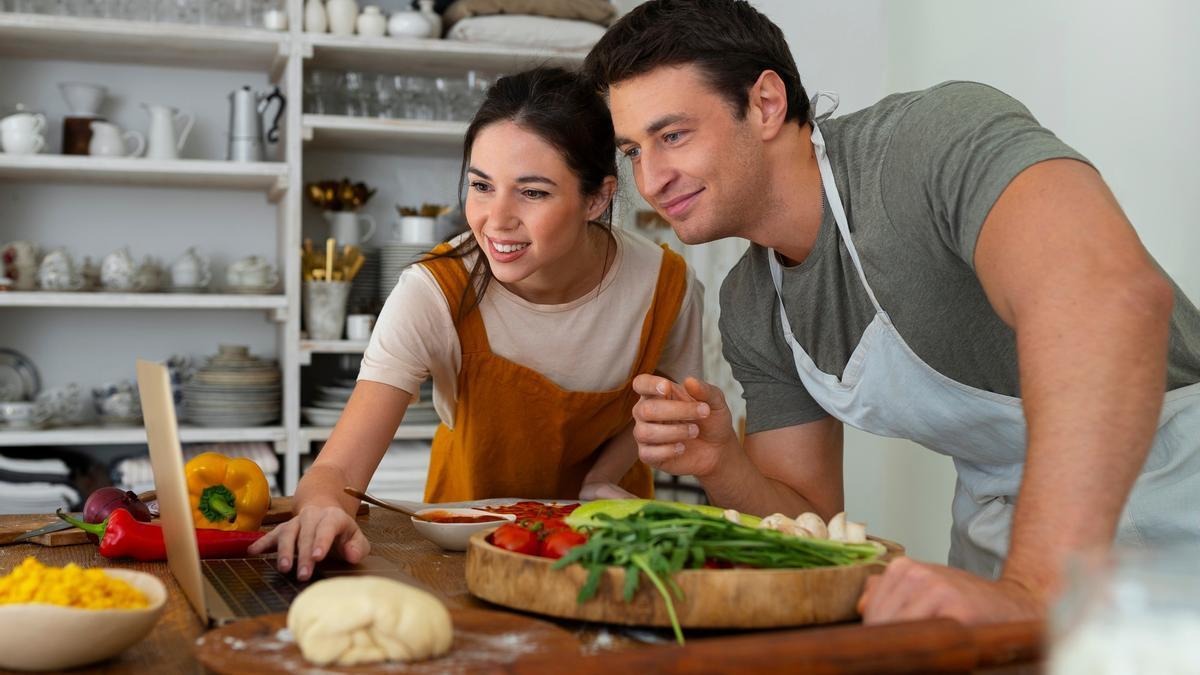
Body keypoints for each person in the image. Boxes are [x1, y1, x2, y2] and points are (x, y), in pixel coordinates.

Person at [583, 0, 1200, 624]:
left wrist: (1033, 588)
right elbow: (811, 524)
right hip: (1006, 535)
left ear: (766, 104)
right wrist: (721, 463)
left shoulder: (928, 141)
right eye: (632, 151)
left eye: (673, 135)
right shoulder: (753, 303)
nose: (653, 179)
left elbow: (1111, 301)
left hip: (1179, 494)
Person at [250, 67, 704, 580]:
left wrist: (600, 478)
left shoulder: (665, 285)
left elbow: (663, 410)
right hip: (463, 553)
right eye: (481, 186)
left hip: (607, 557)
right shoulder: (433, 292)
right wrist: (322, 511)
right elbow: (336, 470)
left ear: (597, 199)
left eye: (532, 192)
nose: (496, 218)